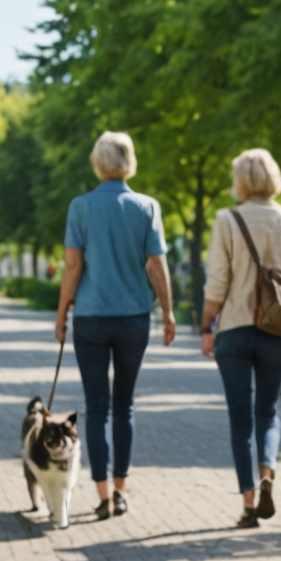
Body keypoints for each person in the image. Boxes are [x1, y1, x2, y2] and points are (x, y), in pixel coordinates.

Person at [56, 131, 176, 520]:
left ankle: (104, 494)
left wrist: (61, 315)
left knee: (96, 408)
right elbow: (156, 264)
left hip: (90, 318)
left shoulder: (80, 207)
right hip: (133, 319)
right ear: (129, 162)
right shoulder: (147, 207)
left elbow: (73, 267)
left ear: (97, 162)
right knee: (124, 404)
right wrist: (169, 313)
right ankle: (122, 490)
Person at [202, 148, 281, 530]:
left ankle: (248, 504)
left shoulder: (227, 219)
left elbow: (218, 280)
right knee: (268, 411)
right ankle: (268, 473)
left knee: (239, 419)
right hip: (276, 329)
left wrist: (205, 326)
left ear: (241, 181)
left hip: (233, 328)